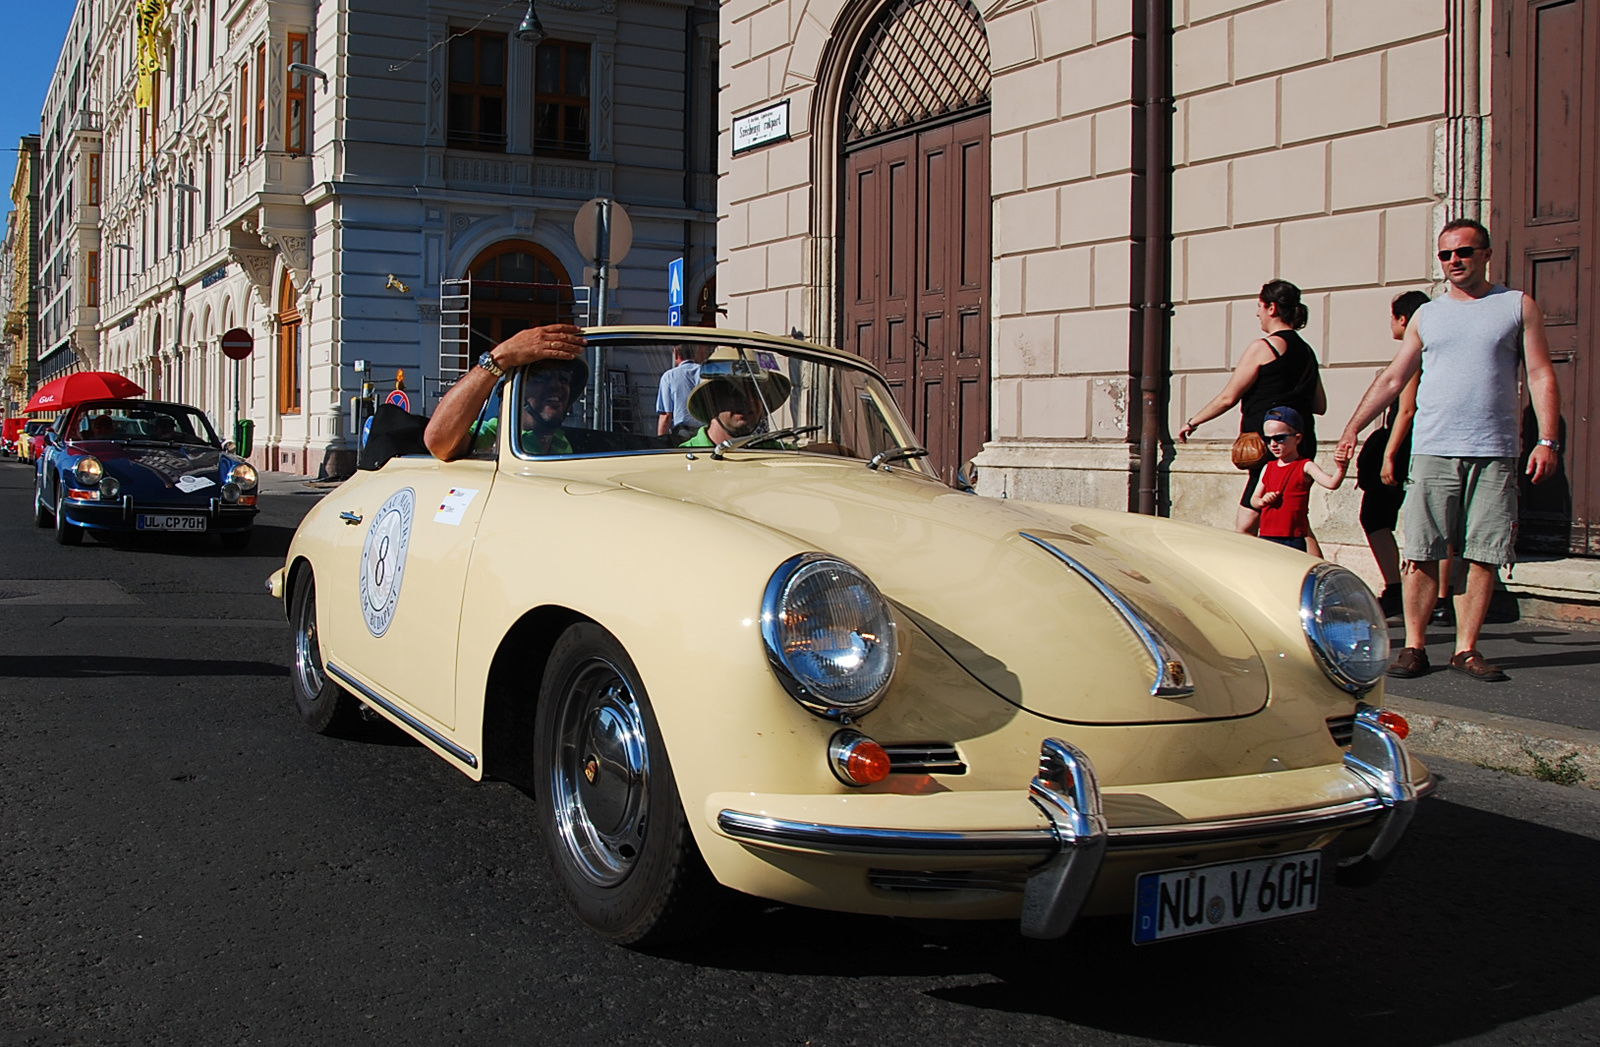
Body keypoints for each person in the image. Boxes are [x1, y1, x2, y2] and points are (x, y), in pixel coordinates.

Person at [1334, 218, 1563, 683]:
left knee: (1484, 553)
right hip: (1435, 449)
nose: (1455, 260)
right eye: (1446, 254)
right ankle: (1414, 647)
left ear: (1485, 254)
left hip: (1495, 450)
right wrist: (1353, 426)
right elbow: (1395, 377)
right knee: (1420, 550)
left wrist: (1547, 439)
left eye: (1464, 251)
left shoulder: (1517, 306)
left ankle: (1466, 649)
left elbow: (1539, 373)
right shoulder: (1428, 315)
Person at [1177, 280, 1327, 539]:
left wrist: (1193, 421)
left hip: (1270, 445)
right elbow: (1319, 405)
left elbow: (1228, 397)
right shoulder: (1307, 351)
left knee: (1247, 526)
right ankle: (1319, 575)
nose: (1257, 313)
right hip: (1302, 443)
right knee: (1295, 519)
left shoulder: (1263, 347)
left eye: (1259, 306)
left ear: (1272, 308)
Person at [1355, 290, 1431, 616]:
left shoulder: (1413, 357)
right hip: (1425, 445)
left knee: (1374, 516)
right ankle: (1440, 597)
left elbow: (1406, 411)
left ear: (1403, 319)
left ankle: (1394, 588)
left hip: (1404, 448)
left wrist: (1388, 454)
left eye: (1393, 316)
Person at [425, 324, 588, 461]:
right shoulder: (493, 435)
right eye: (541, 377)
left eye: (564, 378)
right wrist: (500, 357)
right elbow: (438, 442)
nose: (556, 385)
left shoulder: (562, 442)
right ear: (512, 393)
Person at [1250, 407, 1347, 553]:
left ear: (1298, 438)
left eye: (1279, 438)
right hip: (1266, 534)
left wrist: (1341, 468)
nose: (1273, 444)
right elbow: (1254, 500)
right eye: (1267, 439)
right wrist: (1262, 501)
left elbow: (1332, 483)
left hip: (1293, 536)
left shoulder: (1305, 465)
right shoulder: (1268, 467)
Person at [680, 355, 793, 448]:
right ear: (712, 401)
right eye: (735, 393)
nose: (749, 401)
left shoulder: (778, 453)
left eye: (757, 392)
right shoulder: (683, 458)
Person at [656, 344, 709, 438]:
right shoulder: (705, 373)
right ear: (694, 354)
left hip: (682, 434)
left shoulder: (669, 376)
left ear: (676, 353)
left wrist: (661, 442)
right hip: (705, 433)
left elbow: (666, 415)